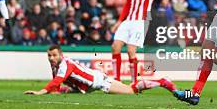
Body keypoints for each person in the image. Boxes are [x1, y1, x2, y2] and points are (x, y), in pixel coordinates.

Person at [24, 44, 176, 95]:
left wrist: (41, 92)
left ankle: (162, 82)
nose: (51, 58)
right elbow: (56, 84)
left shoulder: (65, 64)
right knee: (69, 90)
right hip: (89, 86)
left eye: (54, 55)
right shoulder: (55, 65)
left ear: (60, 55)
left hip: (99, 82)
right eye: (49, 55)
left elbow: (57, 81)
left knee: (130, 91)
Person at [111, 0, 163, 83]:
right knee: (115, 46)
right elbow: (127, 5)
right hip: (128, 20)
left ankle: (134, 82)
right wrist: (119, 21)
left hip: (140, 21)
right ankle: (117, 80)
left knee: (130, 51)